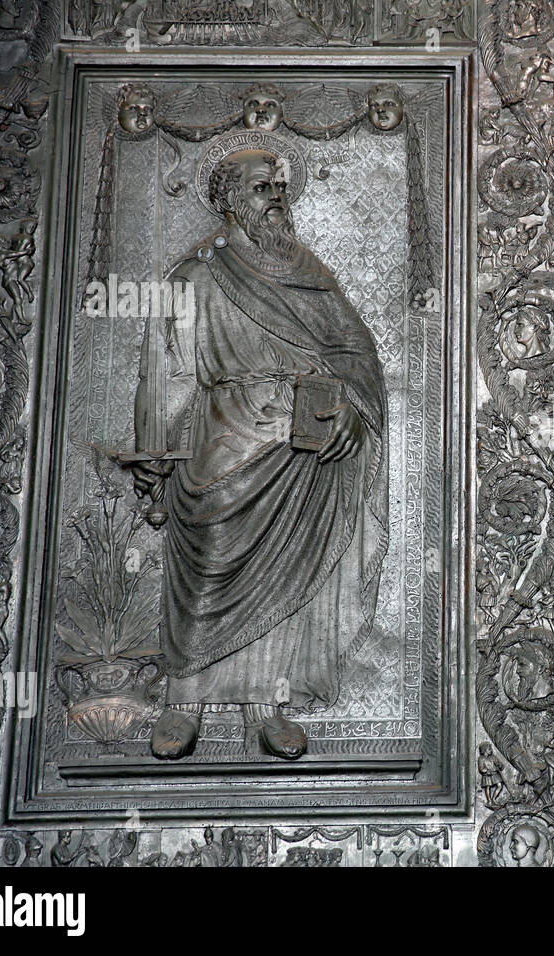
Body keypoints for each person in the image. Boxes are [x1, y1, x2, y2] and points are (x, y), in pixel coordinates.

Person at [132, 147, 389, 760]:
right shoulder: (195, 278)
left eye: (279, 184)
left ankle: (266, 705)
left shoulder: (310, 273)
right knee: (211, 560)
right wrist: (154, 453)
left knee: (287, 575)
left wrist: (352, 407)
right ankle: (183, 700)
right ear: (227, 199)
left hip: (302, 447)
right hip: (224, 442)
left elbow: (358, 354)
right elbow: (166, 376)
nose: (274, 194)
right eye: (259, 186)